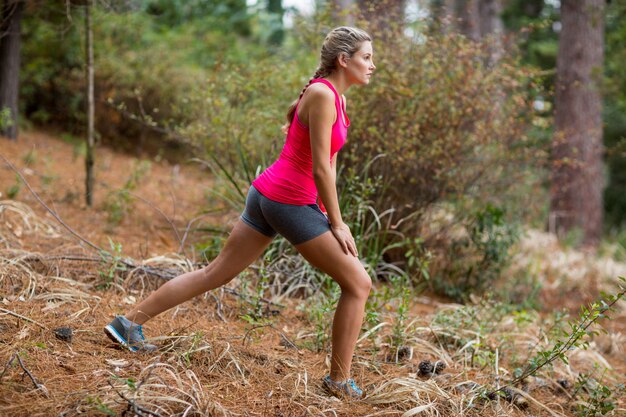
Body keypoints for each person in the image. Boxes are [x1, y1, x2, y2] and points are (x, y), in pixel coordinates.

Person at [104, 26, 376, 399]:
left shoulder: (336, 98)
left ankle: (127, 324)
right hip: (287, 201)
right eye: (366, 57)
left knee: (214, 272)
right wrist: (338, 223)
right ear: (344, 60)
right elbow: (320, 170)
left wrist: (329, 215)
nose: (372, 65)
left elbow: (326, 161)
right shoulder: (323, 95)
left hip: (271, 195)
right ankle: (339, 382)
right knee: (359, 284)